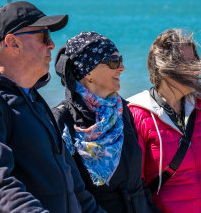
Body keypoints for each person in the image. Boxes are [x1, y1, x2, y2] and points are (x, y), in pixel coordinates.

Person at [0, 1, 105, 213]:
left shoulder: (33, 100)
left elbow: (75, 188)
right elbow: (1, 189)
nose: (51, 45)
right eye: (43, 36)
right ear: (12, 43)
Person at [128, 28, 201, 213]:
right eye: (188, 63)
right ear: (166, 69)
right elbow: (135, 188)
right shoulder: (138, 115)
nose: (198, 68)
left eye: (196, 61)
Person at [52, 31, 161, 213]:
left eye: (121, 60)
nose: (122, 67)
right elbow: (67, 194)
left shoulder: (122, 111)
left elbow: (137, 183)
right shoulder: (62, 120)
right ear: (88, 72)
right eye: (113, 61)